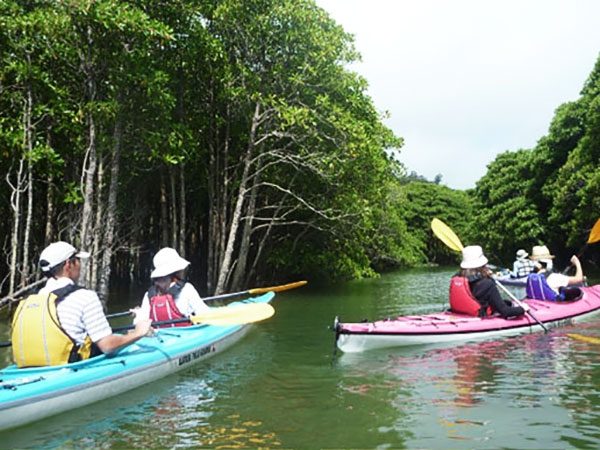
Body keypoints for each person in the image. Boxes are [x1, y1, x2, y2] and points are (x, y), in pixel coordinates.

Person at [11, 241, 152, 367]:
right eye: (77, 260)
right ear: (68, 264)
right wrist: (138, 332)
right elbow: (107, 346)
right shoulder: (85, 296)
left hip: (29, 370)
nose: (80, 264)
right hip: (68, 370)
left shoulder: (31, 299)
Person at [134, 247, 209, 327]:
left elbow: (138, 322)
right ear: (176, 272)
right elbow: (205, 314)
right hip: (184, 335)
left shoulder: (149, 295)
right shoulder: (187, 289)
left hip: (158, 334)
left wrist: (139, 313)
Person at [449, 245, 528, 318]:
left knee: (507, 302)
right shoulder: (487, 284)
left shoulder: (456, 278)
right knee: (506, 305)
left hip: (462, 313)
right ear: (483, 264)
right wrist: (522, 309)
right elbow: (505, 312)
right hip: (480, 316)